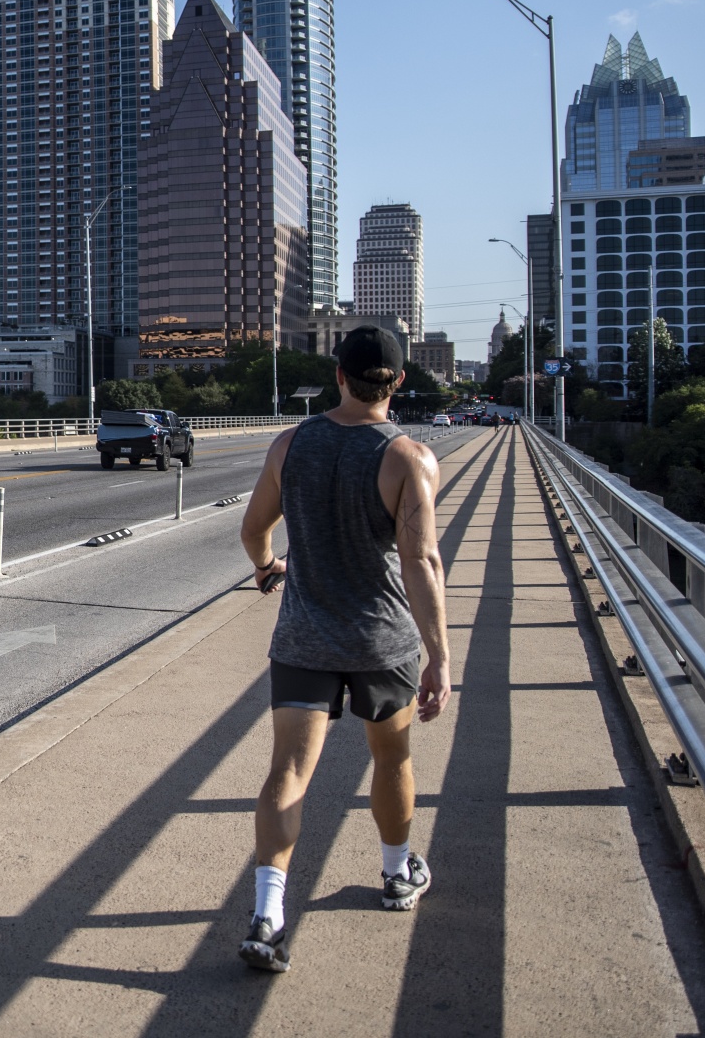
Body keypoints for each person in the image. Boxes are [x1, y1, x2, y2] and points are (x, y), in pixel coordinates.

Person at [234, 326, 452, 973]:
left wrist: (269, 564)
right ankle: (395, 872)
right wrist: (439, 654)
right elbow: (421, 561)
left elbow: (254, 529)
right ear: (399, 383)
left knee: (287, 773)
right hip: (382, 639)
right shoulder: (410, 457)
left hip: (304, 635)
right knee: (391, 758)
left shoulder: (290, 444)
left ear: (337, 375)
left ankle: (268, 915)